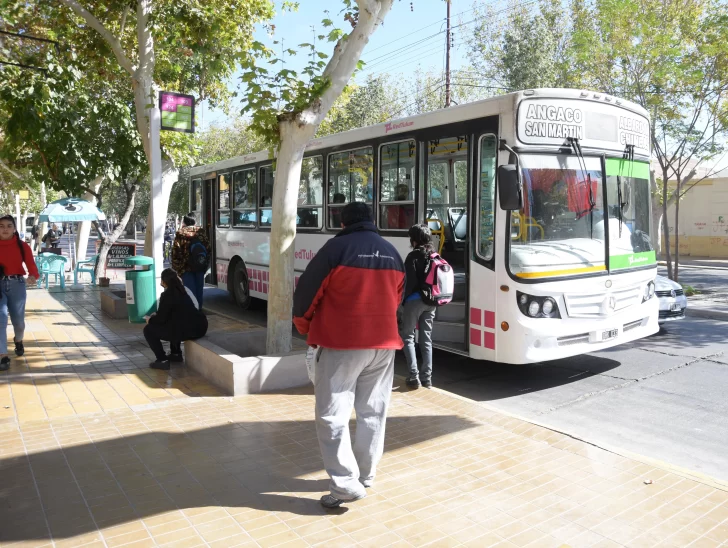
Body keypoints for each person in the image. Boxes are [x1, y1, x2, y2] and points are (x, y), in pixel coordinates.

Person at [293, 202, 405, 508]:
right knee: (373, 411)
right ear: (371, 221)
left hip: (342, 344)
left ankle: (344, 484)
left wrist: (304, 326)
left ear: (343, 223)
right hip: (383, 346)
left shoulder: (336, 249)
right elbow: (397, 299)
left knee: (332, 414)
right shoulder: (392, 252)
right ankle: (365, 475)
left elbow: (306, 294)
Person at [143, 268, 208, 370]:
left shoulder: (166, 295)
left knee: (148, 330)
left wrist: (150, 320)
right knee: (175, 322)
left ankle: (162, 359)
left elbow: (161, 319)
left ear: (164, 282)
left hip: (187, 330)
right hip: (201, 327)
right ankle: (176, 354)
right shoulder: (184, 291)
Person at [399, 224, 438, 389]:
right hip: (431, 303)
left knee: (407, 337)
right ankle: (427, 379)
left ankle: (414, 377)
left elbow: (408, 283)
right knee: (426, 340)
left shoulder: (412, 257)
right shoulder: (434, 255)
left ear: (413, 239)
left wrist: (402, 302)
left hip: (414, 301)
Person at [0, 215, 39, 371]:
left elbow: (32, 266)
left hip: (17, 284)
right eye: (1, 226)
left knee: (19, 323)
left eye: (9, 226)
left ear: (14, 228)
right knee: (1, 319)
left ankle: (18, 339)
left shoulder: (22, 246)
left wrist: (32, 276)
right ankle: (3, 355)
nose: (5, 229)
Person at [171, 213, 210, 306]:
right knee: (199, 291)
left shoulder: (181, 233)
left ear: (184, 222)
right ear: (194, 221)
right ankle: (199, 313)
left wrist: (177, 267)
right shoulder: (201, 232)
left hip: (186, 267)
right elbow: (208, 249)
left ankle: (192, 313)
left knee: (190, 292)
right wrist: (205, 264)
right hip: (200, 266)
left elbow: (176, 251)